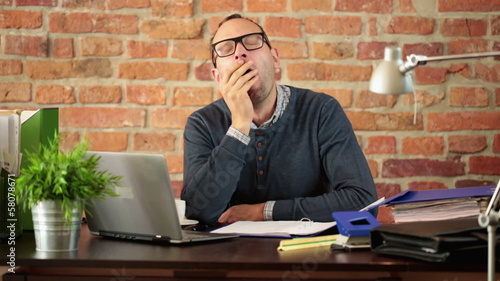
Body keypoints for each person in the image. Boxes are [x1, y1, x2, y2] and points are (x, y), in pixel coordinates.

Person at [181, 14, 377, 225]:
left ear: (275, 59)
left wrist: (263, 211)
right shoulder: (201, 124)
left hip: (307, 252)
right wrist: (239, 125)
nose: (240, 53)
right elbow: (198, 212)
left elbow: (362, 202)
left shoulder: (321, 111)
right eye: (226, 49)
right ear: (218, 77)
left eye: (252, 41)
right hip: (229, 254)